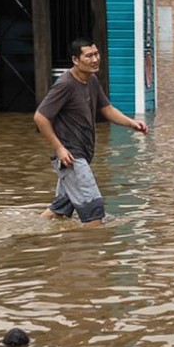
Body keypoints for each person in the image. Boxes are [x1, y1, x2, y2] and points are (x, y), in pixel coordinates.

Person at [34, 39, 147, 224]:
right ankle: (90, 249)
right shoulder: (65, 84)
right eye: (89, 55)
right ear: (75, 60)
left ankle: (27, 235)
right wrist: (60, 148)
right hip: (72, 158)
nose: (95, 59)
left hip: (82, 156)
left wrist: (131, 123)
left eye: (96, 54)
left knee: (59, 211)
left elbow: (106, 109)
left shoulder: (91, 80)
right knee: (95, 213)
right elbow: (40, 117)